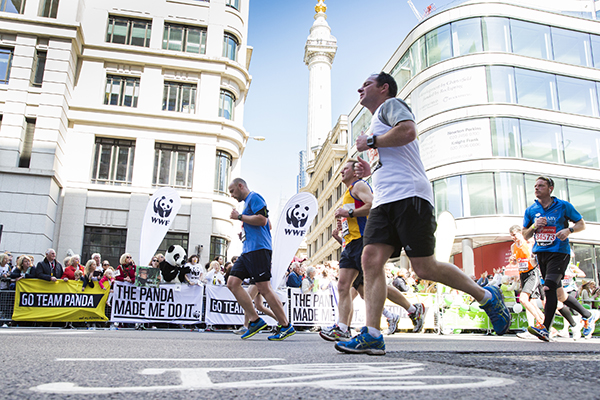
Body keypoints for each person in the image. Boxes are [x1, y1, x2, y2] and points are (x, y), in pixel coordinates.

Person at [336, 72, 510, 355]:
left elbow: (408, 131)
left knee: (424, 267)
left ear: (384, 88)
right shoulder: (378, 121)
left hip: (410, 196)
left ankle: (486, 296)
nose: (360, 87)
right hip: (384, 201)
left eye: (366, 83)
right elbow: (394, 153)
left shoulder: (390, 106)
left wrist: (370, 143)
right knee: (370, 259)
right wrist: (372, 168)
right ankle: (372, 334)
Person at [321, 159, 425, 343]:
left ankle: (410, 310)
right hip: (350, 244)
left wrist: (349, 214)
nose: (341, 172)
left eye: (345, 169)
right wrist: (341, 234)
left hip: (363, 241)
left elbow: (373, 205)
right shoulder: (349, 191)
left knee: (370, 288)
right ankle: (343, 328)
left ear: (355, 172)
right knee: (345, 286)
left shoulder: (359, 186)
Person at [523, 176, 599, 341]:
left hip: (559, 252)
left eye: (541, 185)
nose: (537, 188)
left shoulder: (563, 206)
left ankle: (545, 328)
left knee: (548, 288)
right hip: (541, 253)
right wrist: (535, 226)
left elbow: (581, 224)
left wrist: (569, 231)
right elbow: (525, 234)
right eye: (535, 186)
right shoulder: (531, 210)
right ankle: (588, 315)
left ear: (550, 188)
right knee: (559, 295)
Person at [226, 177, 296, 340]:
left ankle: (285, 325)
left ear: (240, 186)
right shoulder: (247, 204)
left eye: (232, 191)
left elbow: (263, 220)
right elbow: (267, 225)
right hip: (248, 250)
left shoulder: (255, 197)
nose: (232, 195)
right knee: (232, 283)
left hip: (259, 249)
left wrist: (240, 218)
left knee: (264, 289)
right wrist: (245, 232)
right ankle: (255, 320)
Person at [509, 225, 545, 336]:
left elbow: (536, 260)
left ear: (520, 233)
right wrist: (513, 261)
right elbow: (514, 262)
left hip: (532, 274)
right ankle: (533, 327)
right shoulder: (513, 246)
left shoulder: (529, 244)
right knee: (531, 303)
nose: (513, 238)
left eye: (514, 235)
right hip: (522, 274)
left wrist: (533, 258)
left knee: (524, 300)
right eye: (511, 236)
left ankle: (543, 322)